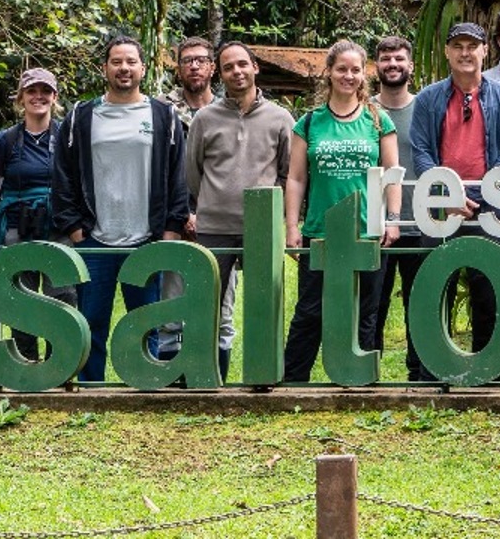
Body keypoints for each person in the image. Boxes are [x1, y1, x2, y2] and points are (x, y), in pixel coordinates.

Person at [51, 35, 191, 384]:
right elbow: (63, 175)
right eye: (117, 62)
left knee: (146, 322)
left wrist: (170, 230)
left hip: (145, 241)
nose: (124, 68)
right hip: (95, 240)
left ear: (143, 68)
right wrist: (75, 229)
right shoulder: (82, 116)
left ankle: (147, 385)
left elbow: (178, 177)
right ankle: (92, 388)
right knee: (91, 321)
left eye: (131, 61)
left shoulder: (164, 116)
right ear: (105, 68)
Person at [411, 22, 500, 359]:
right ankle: (433, 366)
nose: (465, 53)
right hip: (438, 207)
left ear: (484, 51)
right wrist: (447, 196)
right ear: (448, 52)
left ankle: (487, 366)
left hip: (490, 207)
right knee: (435, 285)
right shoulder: (428, 99)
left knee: (487, 286)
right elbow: (421, 151)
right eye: (458, 46)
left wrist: (477, 197)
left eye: (472, 46)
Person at [283, 39, 399, 383]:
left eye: (355, 70)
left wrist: (392, 220)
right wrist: (293, 225)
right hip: (321, 230)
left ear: (365, 75)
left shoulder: (378, 120)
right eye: (342, 69)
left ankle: (359, 380)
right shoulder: (309, 121)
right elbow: (296, 177)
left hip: (368, 231)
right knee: (310, 310)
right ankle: (292, 380)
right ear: (329, 73)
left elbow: (393, 175)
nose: (349, 76)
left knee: (366, 311)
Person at [187, 40, 293, 379]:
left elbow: (290, 172)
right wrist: (211, 203)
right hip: (214, 228)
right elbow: (193, 172)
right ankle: (210, 376)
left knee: (265, 304)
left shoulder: (280, 118)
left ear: (255, 67)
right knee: (209, 305)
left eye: (242, 64)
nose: (237, 71)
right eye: (229, 66)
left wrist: (275, 208)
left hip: (262, 227)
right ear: (220, 73)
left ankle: (264, 376)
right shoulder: (205, 119)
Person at [366, 34, 436, 382]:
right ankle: (367, 374)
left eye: (399, 59)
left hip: (420, 222)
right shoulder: (364, 110)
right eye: (385, 59)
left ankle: (420, 374)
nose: (392, 65)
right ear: (375, 65)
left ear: (411, 65)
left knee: (420, 302)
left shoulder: (425, 106)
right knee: (372, 305)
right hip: (375, 226)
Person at [0, 68, 70, 363]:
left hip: (58, 225)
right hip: (18, 226)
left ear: (54, 97)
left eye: (45, 91)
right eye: (32, 91)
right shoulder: (5, 140)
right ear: (20, 98)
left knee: (61, 295)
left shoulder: (66, 135)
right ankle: (25, 366)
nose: (39, 97)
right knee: (21, 296)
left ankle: (59, 363)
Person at [164, 37, 218, 125]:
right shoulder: (163, 108)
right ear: (179, 71)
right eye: (187, 61)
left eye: (201, 60)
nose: (194, 66)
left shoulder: (226, 112)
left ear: (212, 68)